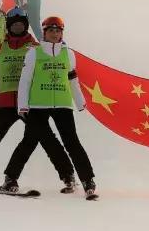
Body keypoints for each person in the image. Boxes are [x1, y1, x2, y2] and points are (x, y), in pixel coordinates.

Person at [0, 8, 76, 190]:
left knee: (45, 138)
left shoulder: (35, 48)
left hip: (29, 103)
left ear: (26, 26)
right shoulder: (0, 48)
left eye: (21, 25)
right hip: (6, 103)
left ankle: (67, 175)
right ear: (9, 26)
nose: (18, 27)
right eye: (14, 25)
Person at [5, 15, 97, 196]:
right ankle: (10, 178)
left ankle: (87, 181)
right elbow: (25, 80)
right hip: (38, 104)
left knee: (72, 143)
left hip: (63, 104)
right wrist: (22, 106)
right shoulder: (34, 52)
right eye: (51, 31)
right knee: (29, 142)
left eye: (58, 31)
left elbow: (72, 78)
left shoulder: (68, 53)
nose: (55, 34)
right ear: (44, 33)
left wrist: (80, 102)